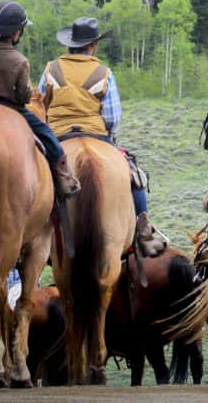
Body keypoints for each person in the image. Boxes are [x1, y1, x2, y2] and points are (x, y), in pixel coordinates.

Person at [38, 16, 168, 258]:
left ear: (70, 44)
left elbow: (39, 106)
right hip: (96, 135)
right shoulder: (104, 73)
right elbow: (112, 117)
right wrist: (108, 137)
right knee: (134, 175)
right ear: (93, 46)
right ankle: (143, 233)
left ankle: (26, 239)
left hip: (55, 139)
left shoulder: (50, 70)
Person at [0, 0, 81, 199]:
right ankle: (64, 177)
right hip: (9, 110)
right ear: (16, 33)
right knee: (46, 133)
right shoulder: (19, 61)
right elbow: (24, 96)